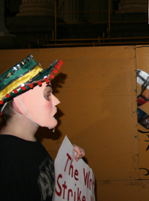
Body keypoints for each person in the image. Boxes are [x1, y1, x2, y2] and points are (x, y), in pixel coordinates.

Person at [0, 55, 85, 201]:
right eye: (47, 96)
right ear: (19, 104)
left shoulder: (27, 143)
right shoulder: (7, 161)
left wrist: (68, 163)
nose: (56, 101)